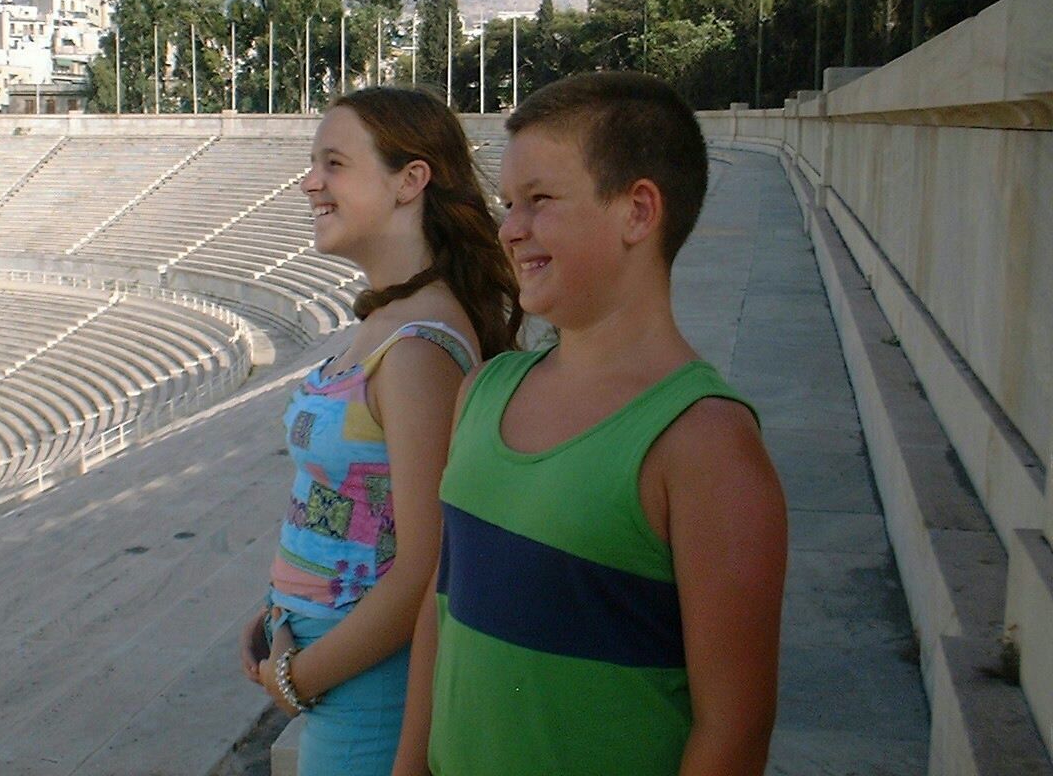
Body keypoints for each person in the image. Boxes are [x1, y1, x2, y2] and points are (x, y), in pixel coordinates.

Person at [393, 71, 788, 776]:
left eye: (540, 201)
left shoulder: (703, 443)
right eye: (507, 203)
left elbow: (734, 731)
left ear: (638, 212)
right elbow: (441, 606)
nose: (510, 228)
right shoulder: (483, 390)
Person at [237, 86, 520, 776]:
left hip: (369, 703)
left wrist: (297, 678)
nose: (310, 183)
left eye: (334, 163)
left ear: (410, 180)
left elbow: (427, 568)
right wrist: (280, 613)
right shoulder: (389, 321)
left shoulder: (421, 350)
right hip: (336, 676)